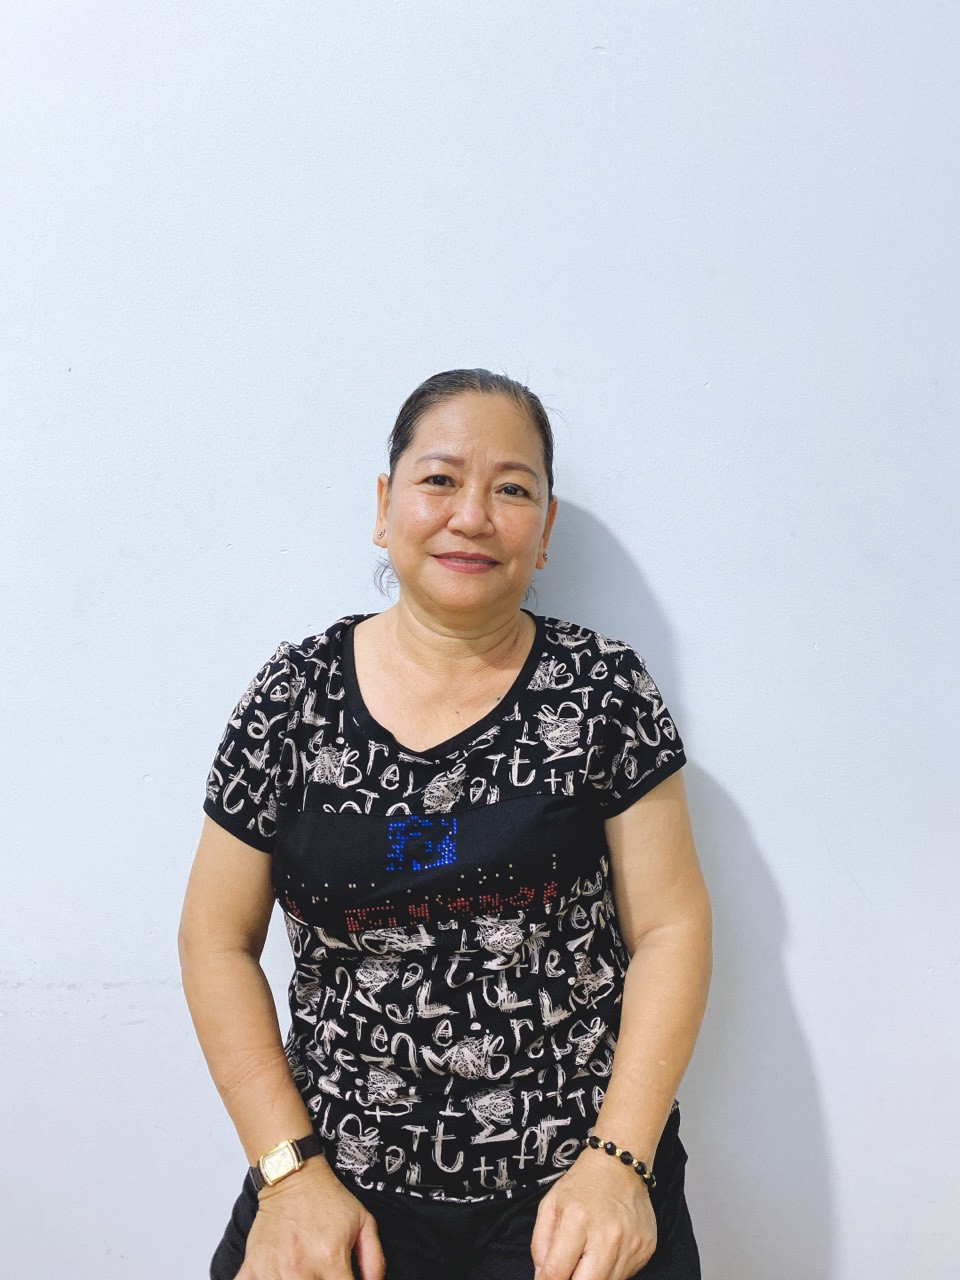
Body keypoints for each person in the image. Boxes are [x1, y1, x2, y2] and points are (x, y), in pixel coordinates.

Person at [179, 368, 713, 1280]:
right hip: (337, 1185)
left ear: (545, 530)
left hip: (576, 1187)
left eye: (513, 490)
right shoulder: (292, 699)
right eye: (440, 480)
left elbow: (671, 927)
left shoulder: (604, 691)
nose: (473, 516)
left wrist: (621, 1164)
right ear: (384, 507)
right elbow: (213, 939)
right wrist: (288, 1177)